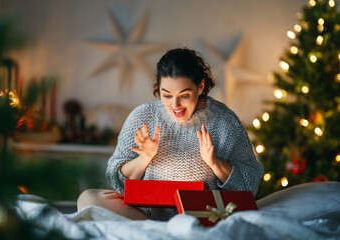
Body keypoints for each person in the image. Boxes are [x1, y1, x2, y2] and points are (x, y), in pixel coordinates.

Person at [77, 47, 263, 221]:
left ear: (200, 87)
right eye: (166, 95)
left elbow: (249, 186)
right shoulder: (142, 116)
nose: (175, 106)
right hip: (144, 215)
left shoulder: (225, 122)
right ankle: (157, 232)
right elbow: (113, 178)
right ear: (159, 89)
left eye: (184, 95)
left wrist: (216, 163)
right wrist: (143, 160)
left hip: (199, 216)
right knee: (88, 199)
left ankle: (167, 233)